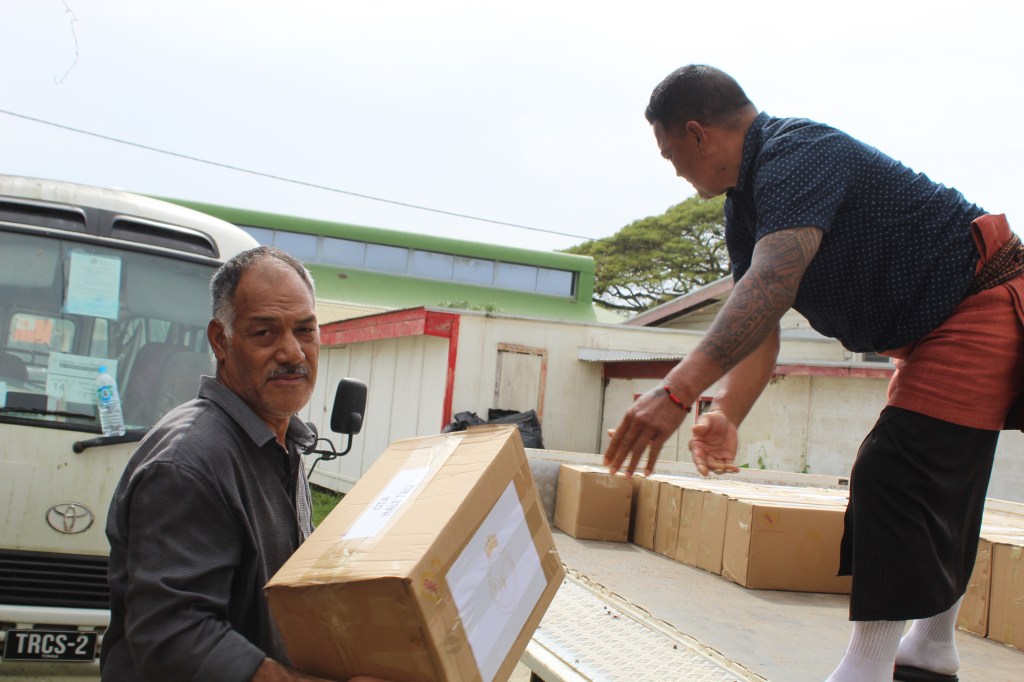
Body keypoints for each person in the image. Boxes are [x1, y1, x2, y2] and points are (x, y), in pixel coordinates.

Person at [603, 65, 1023, 682]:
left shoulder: (798, 151)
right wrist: (728, 413)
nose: (676, 171)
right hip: (931, 329)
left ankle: (868, 670)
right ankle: (931, 650)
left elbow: (774, 283)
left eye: (671, 156)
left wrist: (676, 392)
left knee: (896, 470)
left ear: (698, 134)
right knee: (939, 477)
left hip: (979, 298)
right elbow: (760, 320)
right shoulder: (745, 205)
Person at [102, 247, 393, 682]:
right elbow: (176, 638)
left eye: (305, 330)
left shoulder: (280, 443)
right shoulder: (188, 463)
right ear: (221, 340)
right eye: (264, 333)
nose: (292, 352)